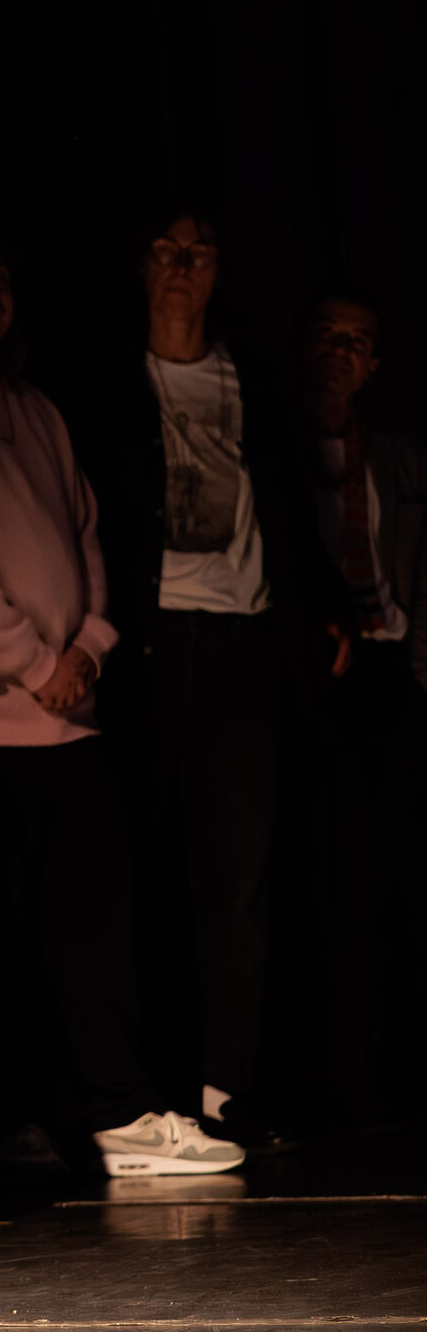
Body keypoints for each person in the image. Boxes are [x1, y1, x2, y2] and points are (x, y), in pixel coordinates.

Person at [0, 247, 241, 1177]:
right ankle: (25, 1118)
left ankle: (118, 1113)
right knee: (7, 938)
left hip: (75, 709)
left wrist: (89, 648)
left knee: (97, 928)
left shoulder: (39, 409)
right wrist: (33, 664)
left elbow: (87, 532)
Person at [75, 211, 322, 1152]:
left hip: (246, 639)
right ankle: (153, 1089)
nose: (182, 268)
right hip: (149, 644)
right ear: (143, 267)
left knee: (241, 879)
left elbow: (292, 508)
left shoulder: (251, 378)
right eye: (167, 252)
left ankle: (229, 1088)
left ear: (219, 270)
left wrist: (321, 612)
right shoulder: (112, 381)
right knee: (146, 869)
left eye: (199, 253)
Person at [293, 294, 422, 1131]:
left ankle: (383, 1082)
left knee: (389, 880)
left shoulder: (400, 461)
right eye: (328, 337)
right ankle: (326, 1082)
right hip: (316, 676)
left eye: (357, 342)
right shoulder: (280, 449)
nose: (341, 352)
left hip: (393, 671)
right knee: (320, 877)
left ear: (374, 363)